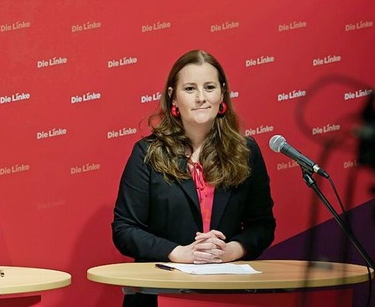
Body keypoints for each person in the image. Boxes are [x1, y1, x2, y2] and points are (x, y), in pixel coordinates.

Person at [112, 50, 276, 307]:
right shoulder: (148, 152)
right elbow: (124, 231)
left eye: (209, 87)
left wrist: (229, 251)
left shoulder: (246, 151)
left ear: (222, 93)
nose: (201, 98)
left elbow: (262, 226)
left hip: (226, 294)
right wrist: (181, 253)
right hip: (160, 292)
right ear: (173, 97)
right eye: (190, 88)